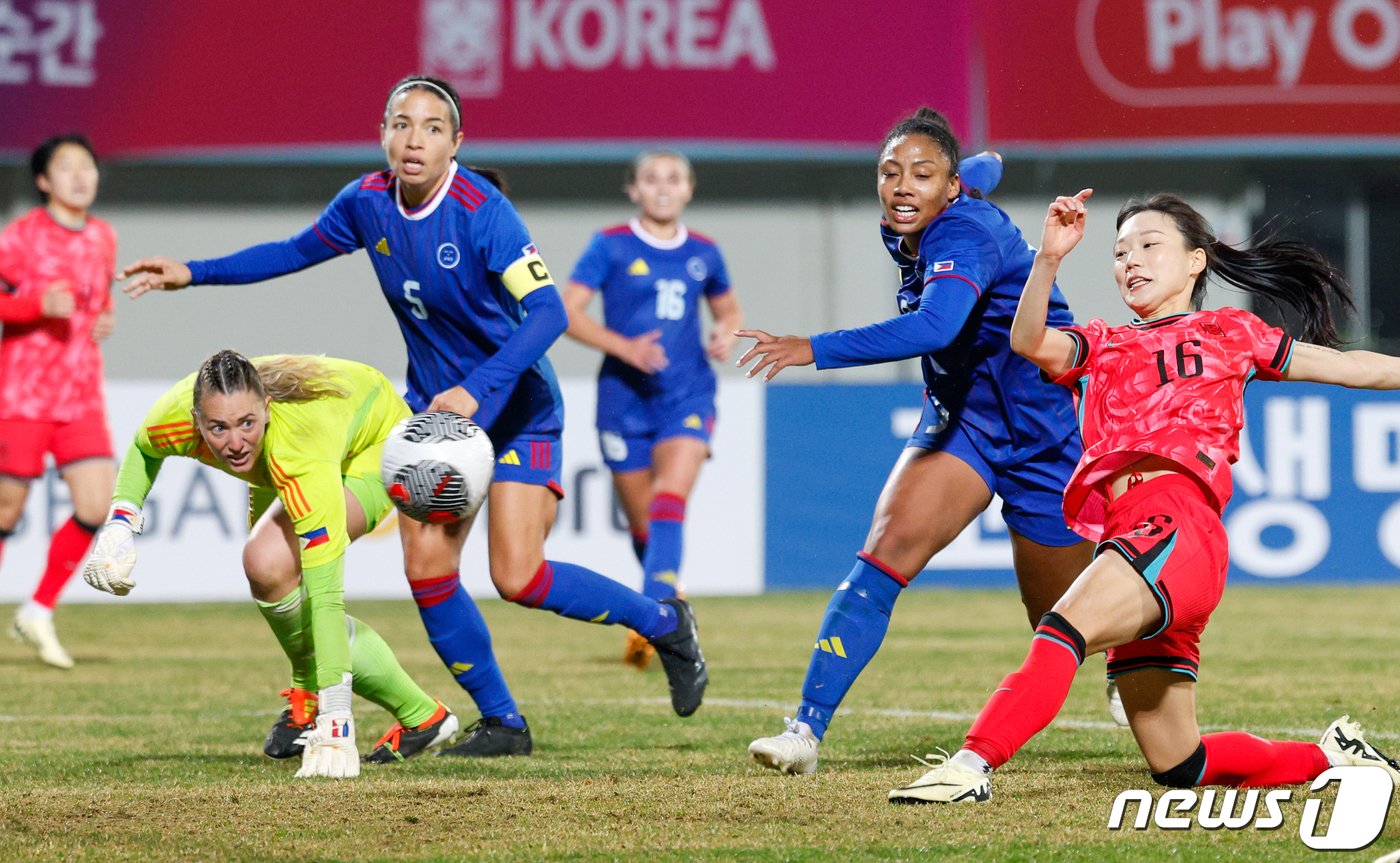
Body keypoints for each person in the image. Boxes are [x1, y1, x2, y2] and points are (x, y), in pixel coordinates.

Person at [117, 75, 708, 729]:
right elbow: (291, 252)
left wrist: (476, 388)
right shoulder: (367, 203)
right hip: (432, 419)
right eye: (401, 124)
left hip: (516, 407)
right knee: (426, 566)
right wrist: (195, 272)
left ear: (456, 141)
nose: (414, 138)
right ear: (383, 134)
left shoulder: (483, 211)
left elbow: (547, 315)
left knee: (518, 576)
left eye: (431, 127)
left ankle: (665, 622)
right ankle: (503, 723)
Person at [886, 190, 1400, 803]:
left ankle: (970, 766)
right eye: (1120, 251)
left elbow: (1352, 368)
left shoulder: (1229, 332)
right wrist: (1047, 258)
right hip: (1134, 535)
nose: (1131, 260)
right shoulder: (1101, 343)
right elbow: (1028, 342)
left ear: (1195, 261)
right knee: (1180, 763)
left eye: (1150, 245)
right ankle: (1333, 758)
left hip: (1175, 523)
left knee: (1061, 629)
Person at [740, 108, 1096, 775]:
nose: (903, 186)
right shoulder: (922, 211)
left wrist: (811, 347)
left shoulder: (962, 231)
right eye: (891, 171)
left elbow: (936, 327)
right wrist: (983, 162)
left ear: (951, 187)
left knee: (1062, 618)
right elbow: (985, 165)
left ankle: (1127, 666)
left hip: (1045, 429)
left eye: (922, 174)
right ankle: (804, 732)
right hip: (963, 421)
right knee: (881, 558)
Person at [84, 352, 470, 777]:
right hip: (288, 453)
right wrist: (120, 524)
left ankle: (414, 713)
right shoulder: (173, 416)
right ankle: (336, 705)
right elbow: (143, 447)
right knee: (271, 578)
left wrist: (337, 719)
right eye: (218, 428)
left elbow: (326, 595)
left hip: (374, 443)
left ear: (266, 408)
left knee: (266, 561)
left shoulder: (299, 448)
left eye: (246, 423)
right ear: (196, 419)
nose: (234, 443)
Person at [562, 149, 743, 669]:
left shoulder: (705, 252)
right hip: (623, 399)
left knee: (669, 500)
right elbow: (565, 311)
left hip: (687, 395)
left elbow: (728, 308)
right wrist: (626, 348)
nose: (662, 187)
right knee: (644, 524)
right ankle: (672, 604)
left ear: (688, 189)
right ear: (634, 190)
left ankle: (656, 618)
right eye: (651, 179)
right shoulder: (611, 245)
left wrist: (724, 332)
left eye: (673, 179)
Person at [0, 134, 117, 669]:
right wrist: (32, 306)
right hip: (22, 392)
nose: (80, 175)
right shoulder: (20, 237)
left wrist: (104, 318)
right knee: (7, 507)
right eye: (66, 167)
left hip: (80, 395)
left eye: (87, 165)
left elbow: (99, 302)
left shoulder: (102, 237)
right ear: (44, 180)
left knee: (97, 504)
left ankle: (39, 609)